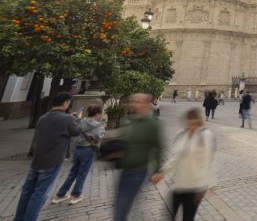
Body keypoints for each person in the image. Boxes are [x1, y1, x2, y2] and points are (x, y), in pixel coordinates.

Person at [14, 92, 81, 221]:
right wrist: (76, 119)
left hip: (37, 160)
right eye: (69, 102)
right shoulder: (66, 119)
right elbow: (76, 131)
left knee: (27, 191)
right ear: (65, 103)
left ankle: (19, 218)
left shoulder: (43, 117)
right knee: (40, 194)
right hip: (52, 160)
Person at [150, 108, 216, 221]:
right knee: (169, 216)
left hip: (195, 188)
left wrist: (208, 186)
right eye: (189, 119)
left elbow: (211, 162)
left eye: (194, 119)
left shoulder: (205, 135)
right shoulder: (181, 134)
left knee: (188, 218)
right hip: (178, 186)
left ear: (198, 120)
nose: (191, 122)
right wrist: (162, 172)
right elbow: (175, 158)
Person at [114, 93, 165, 221]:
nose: (132, 104)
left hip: (137, 172)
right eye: (132, 101)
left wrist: (158, 170)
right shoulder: (131, 120)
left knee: (121, 210)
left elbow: (159, 147)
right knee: (120, 207)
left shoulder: (153, 124)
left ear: (146, 104)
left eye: (137, 102)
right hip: (124, 170)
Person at [52, 105, 105, 205]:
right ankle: (76, 195)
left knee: (73, 172)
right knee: (82, 173)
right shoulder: (97, 125)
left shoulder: (80, 121)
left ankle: (60, 194)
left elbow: (74, 133)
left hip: (77, 149)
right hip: (88, 149)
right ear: (97, 114)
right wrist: (103, 130)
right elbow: (98, 138)